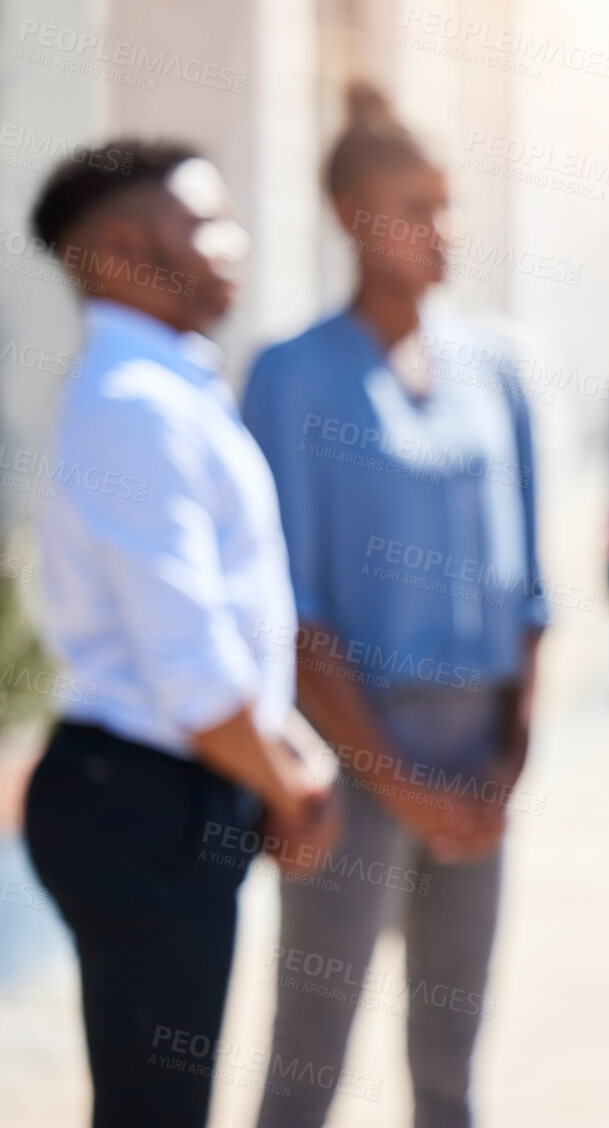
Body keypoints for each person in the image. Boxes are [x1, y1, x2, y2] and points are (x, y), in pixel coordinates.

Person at [241, 83, 546, 1128]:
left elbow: (532, 591)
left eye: (447, 202)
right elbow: (294, 613)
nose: (441, 230)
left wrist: (510, 762)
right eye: (411, 206)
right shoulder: (289, 376)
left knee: (449, 1066)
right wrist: (399, 780)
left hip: (487, 756)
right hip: (350, 755)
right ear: (348, 217)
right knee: (308, 1058)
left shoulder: (496, 367)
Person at [24, 140, 335, 1128]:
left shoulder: (168, 389)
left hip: (168, 784)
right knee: (156, 1109)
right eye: (204, 222)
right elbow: (192, 673)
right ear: (118, 250)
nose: (232, 243)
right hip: (144, 794)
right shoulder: (133, 406)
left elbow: (224, 633)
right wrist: (292, 784)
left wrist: (281, 759)